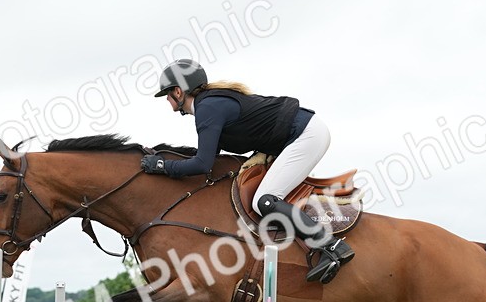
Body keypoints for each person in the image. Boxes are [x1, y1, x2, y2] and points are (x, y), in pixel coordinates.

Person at [141, 58, 354, 283]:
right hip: (299, 133)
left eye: (167, 93)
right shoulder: (209, 105)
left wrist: (162, 166)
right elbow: (208, 156)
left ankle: (331, 246)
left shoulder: (208, 108)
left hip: (306, 135)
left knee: (265, 200)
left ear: (178, 91)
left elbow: (202, 164)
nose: (166, 99)